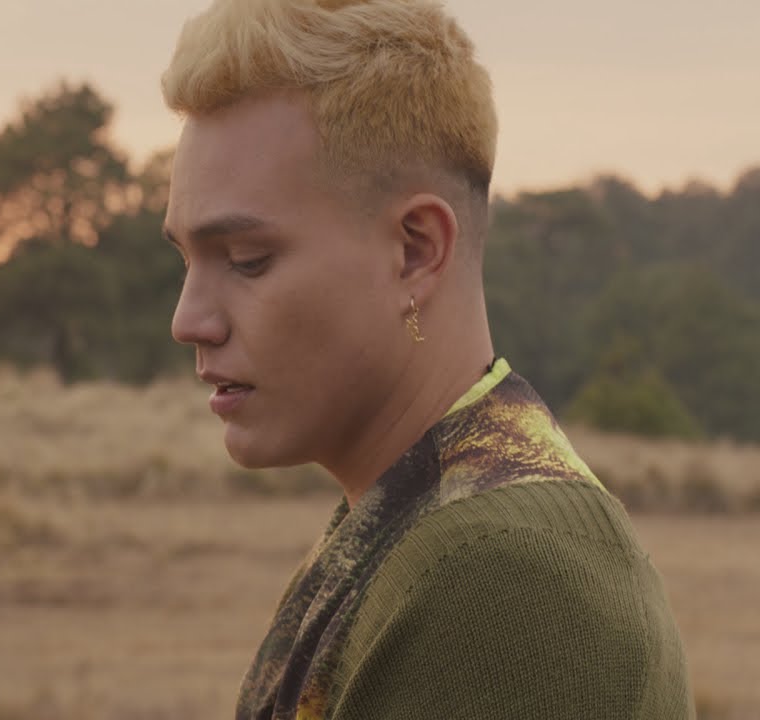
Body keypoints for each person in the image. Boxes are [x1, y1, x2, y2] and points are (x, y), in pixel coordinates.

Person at [158, 0, 694, 718]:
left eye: (247, 260)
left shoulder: (504, 581)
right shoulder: (418, 525)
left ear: (416, 251)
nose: (188, 321)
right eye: (187, 260)